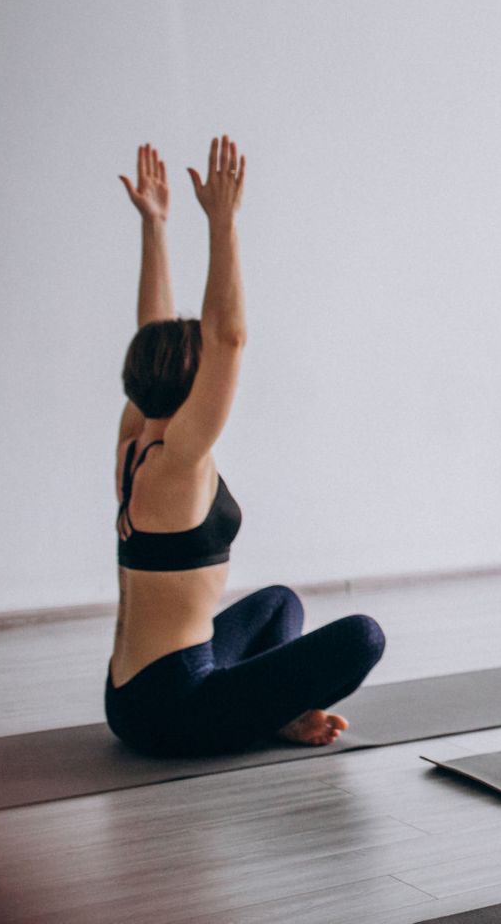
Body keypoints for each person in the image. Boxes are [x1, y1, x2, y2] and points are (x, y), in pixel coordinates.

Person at [106, 139, 384, 757]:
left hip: (130, 693)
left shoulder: (136, 439)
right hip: (174, 707)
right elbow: (227, 338)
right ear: (193, 382)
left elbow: (152, 336)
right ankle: (267, 718)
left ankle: (266, 711)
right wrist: (223, 224)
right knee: (362, 636)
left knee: (277, 604)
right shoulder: (181, 462)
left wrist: (154, 225)